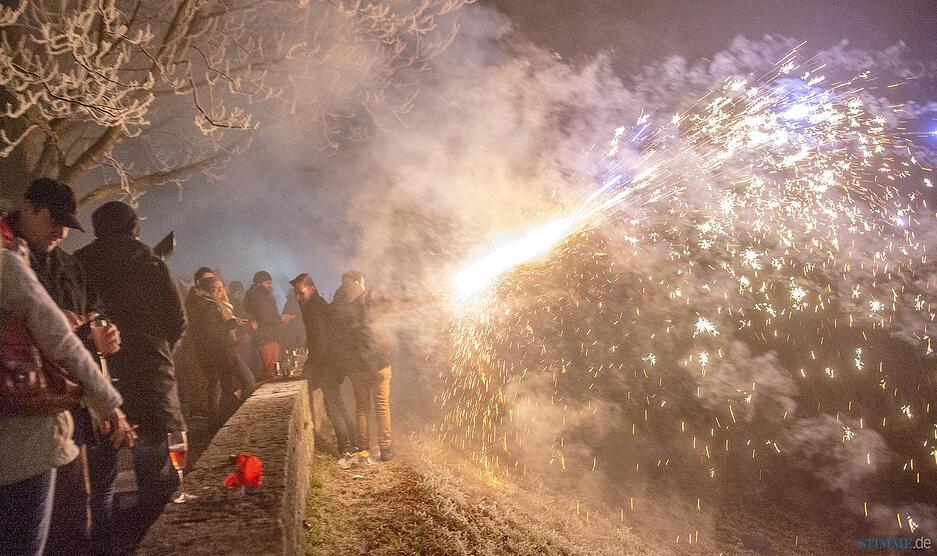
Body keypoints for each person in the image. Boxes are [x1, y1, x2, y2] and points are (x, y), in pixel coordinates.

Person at [0, 178, 122, 554]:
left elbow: (89, 310)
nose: (62, 231)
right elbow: (56, 337)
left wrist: (98, 326)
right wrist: (107, 400)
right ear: (28, 208)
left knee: (72, 519)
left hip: (60, 412)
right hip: (29, 420)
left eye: (68, 223)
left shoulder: (65, 264)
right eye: (55, 220)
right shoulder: (8, 260)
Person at [74, 201, 186, 552]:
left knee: (102, 470)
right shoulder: (152, 261)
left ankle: (105, 543)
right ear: (134, 226)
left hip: (100, 374)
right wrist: (158, 350)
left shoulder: (79, 262)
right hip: (151, 375)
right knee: (155, 467)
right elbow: (177, 320)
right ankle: (156, 541)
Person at [330, 270, 397, 463]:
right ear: (359, 281)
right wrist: (428, 298)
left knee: (361, 408)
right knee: (382, 405)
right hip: (378, 362)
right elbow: (395, 304)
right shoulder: (370, 297)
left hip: (355, 366)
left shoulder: (338, 306)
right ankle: (385, 449)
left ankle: (364, 450)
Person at [290, 273, 356, 460]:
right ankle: (355, 441)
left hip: (328, 363)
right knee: (338, 404)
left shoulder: (314, 307)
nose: (297, 297)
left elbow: (321, 341)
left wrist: (309, 367)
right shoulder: (314, 304)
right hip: (333, 361)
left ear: (312, 289)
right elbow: (317, 336)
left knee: (333, 405)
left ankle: (345, 448)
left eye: (301, 293)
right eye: (295, 293)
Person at [189, 276, 255, 427]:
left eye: (221, 287)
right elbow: (213, 332)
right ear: (207, 290)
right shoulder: (209, 306)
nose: (219, 291)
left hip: (221, 350)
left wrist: (241, 325)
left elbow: (225, 330)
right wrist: (232, 323)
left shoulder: (219, 305)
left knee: (226, 388)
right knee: (248, 380)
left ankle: (224, 422)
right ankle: (240, 416)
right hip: (223, 351)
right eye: (215, 288)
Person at [245, 271, 293, 381]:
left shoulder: (263, 295)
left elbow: (269, 315)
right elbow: (264, 316)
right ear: (259, 283)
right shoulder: (258, 296)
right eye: (267, 283)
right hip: (266, 337)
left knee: (273, 369)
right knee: (270, 371)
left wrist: (279, 320)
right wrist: (279, 319)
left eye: (271, 283)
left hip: (270, 335)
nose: (270, 286)